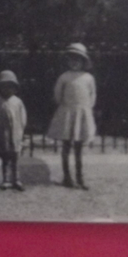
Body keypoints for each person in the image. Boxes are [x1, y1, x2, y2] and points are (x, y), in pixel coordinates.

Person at [46, 43, 96, 189]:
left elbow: (92, 94)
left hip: (82, 113)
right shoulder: (64, 77)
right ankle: (67, 177)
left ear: (84, 62)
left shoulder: (88, 77)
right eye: (72, 59)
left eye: (78, 60)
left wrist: (86, 108)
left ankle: (80, 178)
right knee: (66, 146)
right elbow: (57, 95)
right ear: (67, 61)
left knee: (79, 147)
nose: (75, 62)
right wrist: (66, 107)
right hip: (67, 113)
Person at [0, 70, 28, 191]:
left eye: (10, 86)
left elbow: (23, 117)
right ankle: (6, 180)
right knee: (5, 157)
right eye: (4, 86)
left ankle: (16, 179)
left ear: (15, 88)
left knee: (15, 157)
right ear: (0, 88)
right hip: (3, 133)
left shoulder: (17, 101)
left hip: (16, 133)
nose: (7, 89)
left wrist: (21, 131)